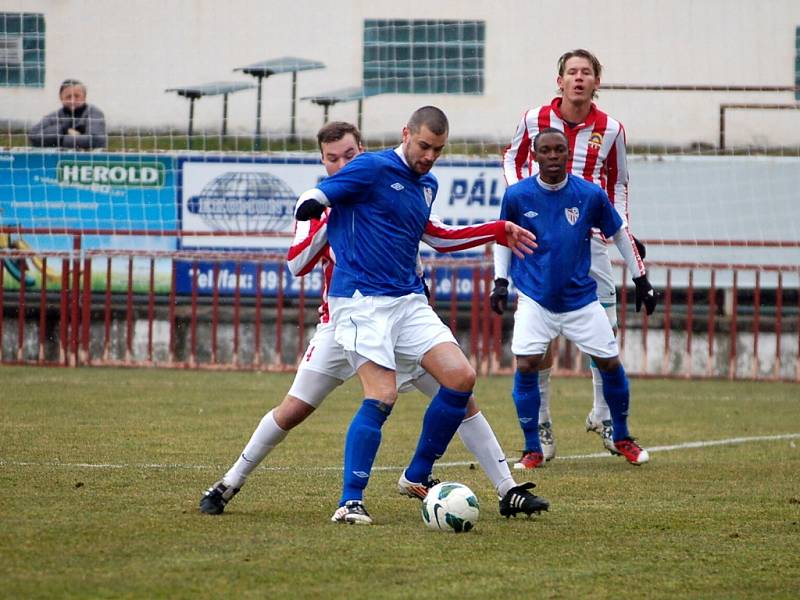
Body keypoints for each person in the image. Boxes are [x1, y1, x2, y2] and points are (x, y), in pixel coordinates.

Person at [199, 121, 548, 521]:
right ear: (324, 161)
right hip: (346, 318)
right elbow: (296, 262)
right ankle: (231, 482)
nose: (343, 164)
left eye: (350, 155)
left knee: (461, 390)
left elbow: (434, 235)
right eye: (333, 159)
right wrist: (332, 214)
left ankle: (504, 489)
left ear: (361, 150)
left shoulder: (416, 183)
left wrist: (497, 230)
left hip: (403, 312)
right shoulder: (335, 200)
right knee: (294, 410)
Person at [295, 108, 545, 525]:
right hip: (362, 304)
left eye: (438, 150)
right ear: (406, 133)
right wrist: (310, 204)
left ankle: (417, 473)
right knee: (377, 396)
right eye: (424, 146)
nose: (430, 156)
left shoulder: (426, 183)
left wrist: (498, 229)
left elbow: (440, 238)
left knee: (462, 379)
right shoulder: (372, 166)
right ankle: (350, 501)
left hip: (409, 303)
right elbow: (320, 195)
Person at [501, 49, 647, 466]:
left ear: (597, 81)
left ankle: (604, 418)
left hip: (589, 234)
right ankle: (541, 430)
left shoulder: (612, 129)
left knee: (606, 325)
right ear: (559, 80)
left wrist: (620, 230)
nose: (579, 79)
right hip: (538, 233)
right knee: (536, 339)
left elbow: (618, 183)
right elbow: (512, 159)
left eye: (587, 73)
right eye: (572, 72)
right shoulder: (533, 119)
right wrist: (525, 194)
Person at [29, 79, 107, 149]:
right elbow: (33, 136)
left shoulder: (95, 113)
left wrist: (57, 140)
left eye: (77, 96)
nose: (72, 100)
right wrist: (63, 130)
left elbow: (96, 141)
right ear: (61, 98)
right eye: (68, 97)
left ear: (84, 97)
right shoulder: (55, 116)